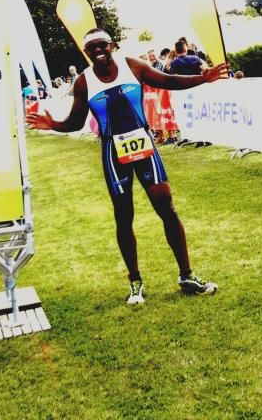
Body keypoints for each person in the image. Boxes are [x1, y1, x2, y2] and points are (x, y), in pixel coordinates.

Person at [27, 29, 230, 306]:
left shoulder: (132, 66)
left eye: (102, 45)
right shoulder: (84, 81)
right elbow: (76, 121)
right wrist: (53, 124)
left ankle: (187, 275)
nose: (98, 51)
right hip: (113, 152)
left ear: (111, 45)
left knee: (167, 208)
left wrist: (202, 78)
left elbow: (169, 81)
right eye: (91, 48)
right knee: (124, 217)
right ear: (86, 52)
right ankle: (135, 282)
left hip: (144, 145)